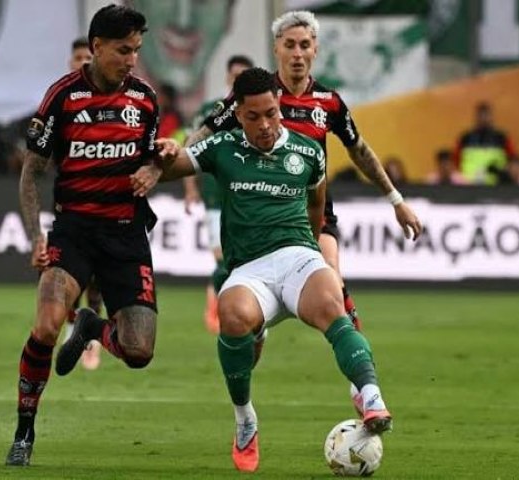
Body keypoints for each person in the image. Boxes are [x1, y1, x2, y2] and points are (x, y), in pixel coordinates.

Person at [131, 67, 394, 473]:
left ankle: (371, 396)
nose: (265, 124)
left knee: (331, 299)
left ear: (280, 106)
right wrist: (163, 154)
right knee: (231, 315)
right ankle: (245, 419)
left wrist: (310, 252)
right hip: (249, 271)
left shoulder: (308, 152)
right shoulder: (223, 147)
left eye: (271, 113)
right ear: (238, 114)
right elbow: (175, 165)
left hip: (297, 256)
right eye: (253, 117)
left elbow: (317, 205)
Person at [187, 10, 421, 412]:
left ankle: (362, 387)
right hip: (259, 218)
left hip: (313, 213)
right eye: (290, 45)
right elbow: (206, 134)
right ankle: (259, 329)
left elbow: (359, 150)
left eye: (305, 45)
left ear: (316, 51)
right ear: (276, 49)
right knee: (251, 315)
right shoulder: (257, 96)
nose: (297, 53)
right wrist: (173, 159)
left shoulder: (328, 102)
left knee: (334, 287)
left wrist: (396, 199)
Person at [5, 5, 160, 466]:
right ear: (96, 47)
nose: (132, 60)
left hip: (126, 235)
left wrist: (156, 167)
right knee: (47, 325)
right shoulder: (62, 97)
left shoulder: (145, 100)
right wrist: (36, 237)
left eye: (136, 50)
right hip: (73, 231)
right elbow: (31, 173)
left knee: (139, 352)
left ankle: (93, 327)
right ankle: (24, 432)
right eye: (123, 50)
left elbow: (155, 161)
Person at [183, 54, 254, 334]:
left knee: (241, 260)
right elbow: (189, 148)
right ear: (227, 77)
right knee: (222, 259)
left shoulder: (255, 112)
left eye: (243, 76)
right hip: (215, 196)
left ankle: (231, 304)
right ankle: (219, 309)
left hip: (247, 197)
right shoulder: (211, 111)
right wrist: (191, 189)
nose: (238, 80)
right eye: (235, 75)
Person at [62, 36, 103, 371]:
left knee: (98, 277)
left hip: (108, 206)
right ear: (70, 62)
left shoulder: (114, 101)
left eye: (88, 57)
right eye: (78, 58)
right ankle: (71, 328)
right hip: (71, 204)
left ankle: (91, 338)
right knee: (69, 273)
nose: (83, 63)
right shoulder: (62, 101)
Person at [453, 101, 518, 185]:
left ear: (491, 117)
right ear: (476, 117)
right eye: (481, 115)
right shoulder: (465, 138)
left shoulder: (502, 137)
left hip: (496, 185)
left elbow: (513, 159)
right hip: (468, 185)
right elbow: (455, 160)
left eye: (486, 115)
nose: (483, 118)